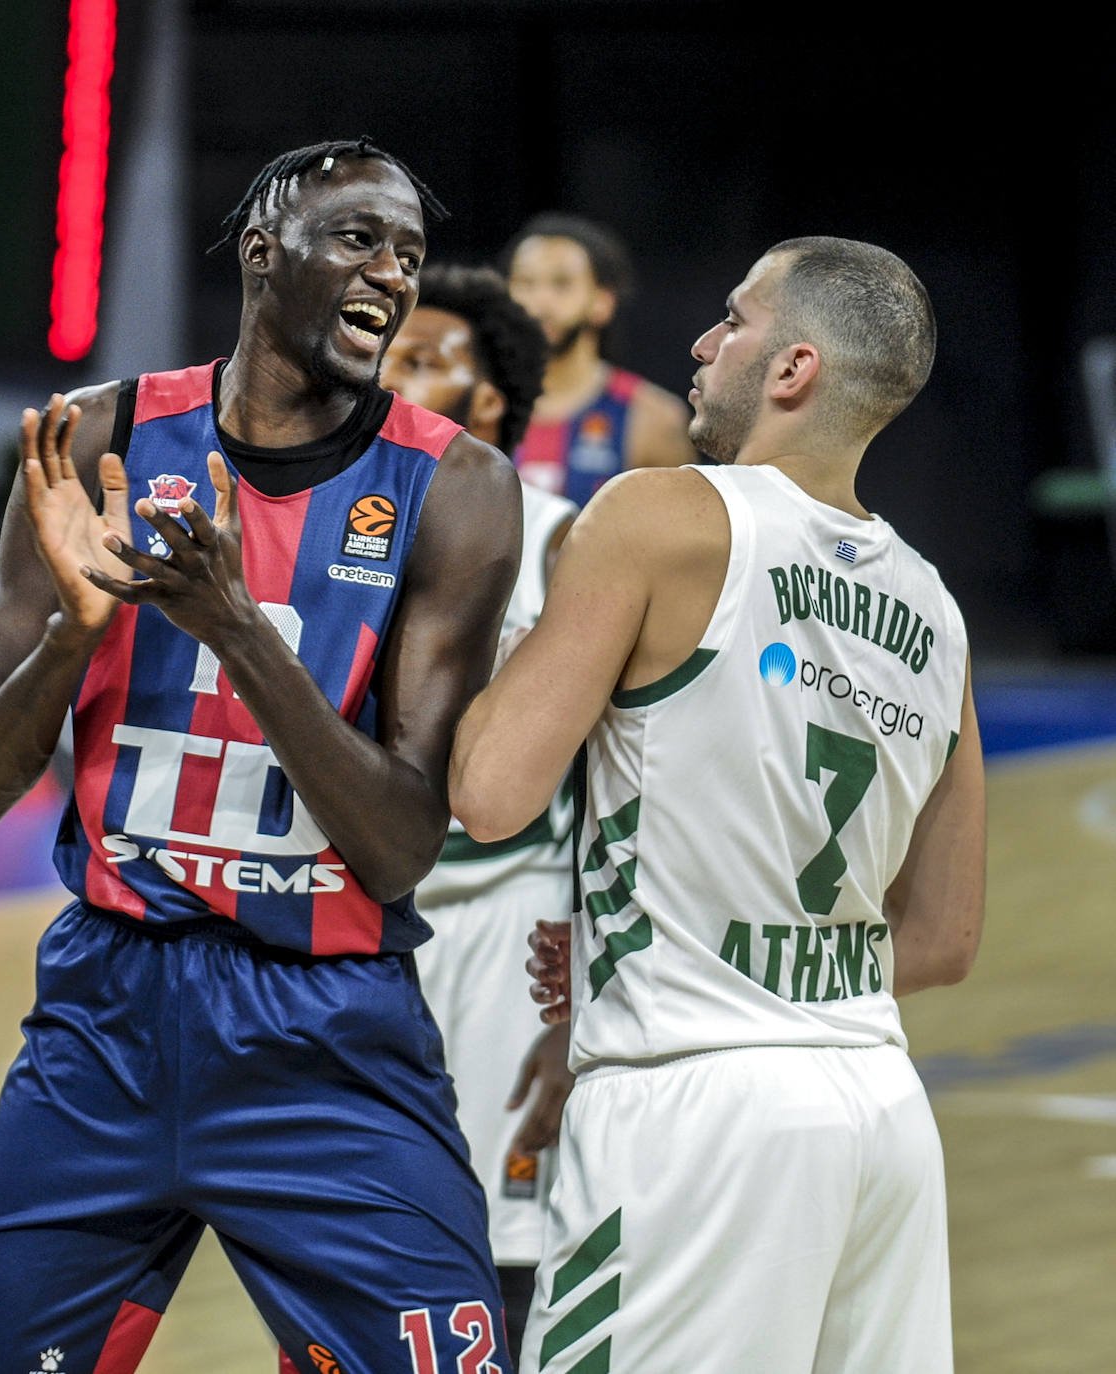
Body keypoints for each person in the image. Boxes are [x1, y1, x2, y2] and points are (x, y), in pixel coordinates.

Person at [0, 138, 523, 1374]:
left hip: (326, 1037)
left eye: (407, 255)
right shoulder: (99, 440)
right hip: (107, 1016)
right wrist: (72, 643)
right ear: (263, 251)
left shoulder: (453, 488)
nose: (391, 275)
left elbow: (401, 845)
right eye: (359, 239)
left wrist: (235, 626)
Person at [450, 236, 987, 1373]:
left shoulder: (656, 518)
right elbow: (941, 938)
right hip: (878, 1113)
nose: (700, 343)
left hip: (690, 1109)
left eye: (732, 320)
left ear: (791, 369)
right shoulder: (934, 611)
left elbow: (490, 794)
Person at [380, 263, 578, 1366]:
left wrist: (579, 976)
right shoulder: (342, 524)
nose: (389, 372)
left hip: (514, 924)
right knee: (380, 1250)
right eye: (387, 353)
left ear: (491, 397)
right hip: (372, 931)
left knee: (508, 1253)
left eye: (421, 358)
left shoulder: (564, 541)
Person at [503, 213, 695, 506]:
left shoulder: (654, 419)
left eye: (561, 283)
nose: (539, 301)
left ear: (602, 302)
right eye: (525, 282)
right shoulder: (477, 405)